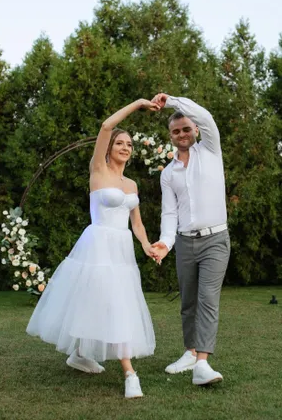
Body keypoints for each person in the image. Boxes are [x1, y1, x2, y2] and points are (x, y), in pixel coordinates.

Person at [26, 98, 160, 398]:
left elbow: (136, 222)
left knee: (103, 301)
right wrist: (139, 103)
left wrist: (147, 245)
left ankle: (79, 354)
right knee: (112, 302)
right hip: (98, 245)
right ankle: (129, 373)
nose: (125, 148)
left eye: (129, 145)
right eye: (120, 143)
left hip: (122, 250)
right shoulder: (98, 170)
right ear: (109, 148)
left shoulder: (132, 185)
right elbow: (106, 125)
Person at [151, 93, 230, 385]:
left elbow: (206, 116)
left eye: (186, 128)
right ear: (170, 136)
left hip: (216, 240)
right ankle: (190, 352)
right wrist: (164, 243)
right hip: (184, 243)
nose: (182, 134)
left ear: (195, 130)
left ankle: (202, 365)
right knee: (188, 302)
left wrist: (171, 101)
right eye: (176, 131)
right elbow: (170, 214)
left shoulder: (210, 150)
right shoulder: (169, 174)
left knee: (208, 299)